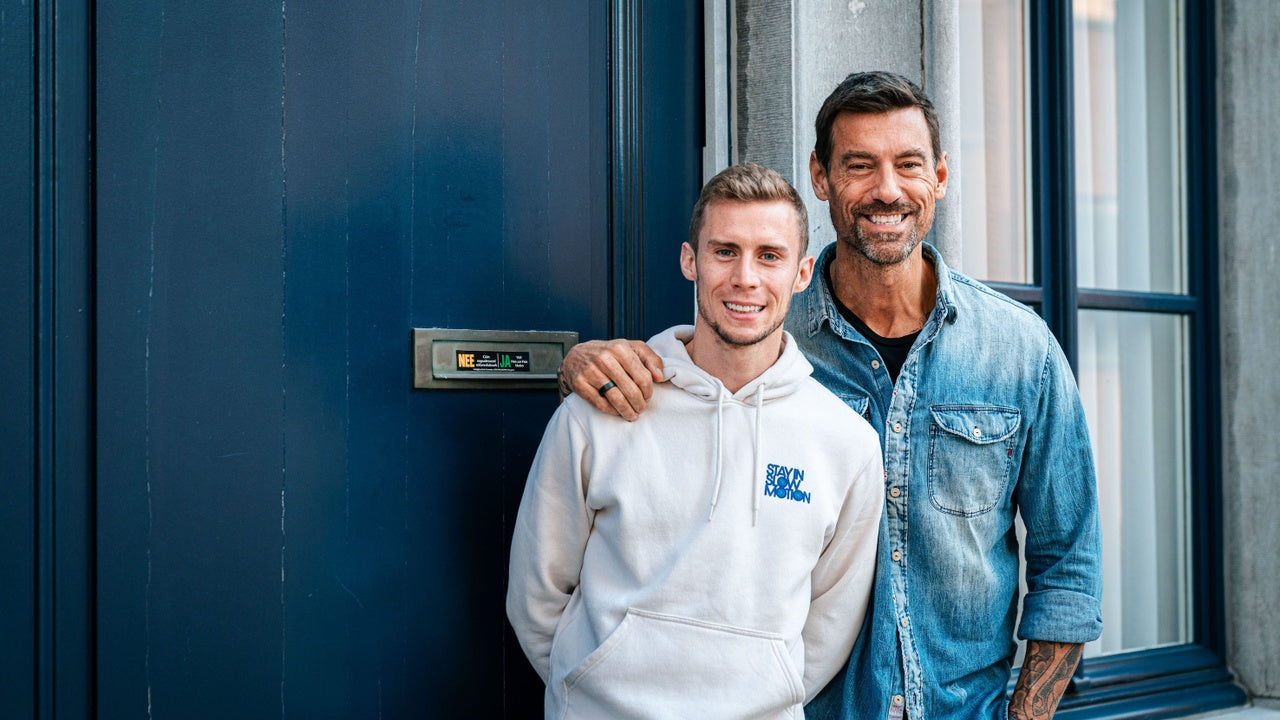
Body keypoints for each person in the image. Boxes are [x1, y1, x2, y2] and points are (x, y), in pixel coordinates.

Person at [556, 71, 1102, 720]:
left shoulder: (1021, 351)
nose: (887, 190)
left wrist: (1024, 715)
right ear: (820, 178)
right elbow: (669, 403)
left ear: (942, 176)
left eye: (908, 164)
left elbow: (1068, 562)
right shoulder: (765, 340)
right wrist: (583, 366)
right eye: (859, 166)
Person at [507, 163, 885, 719]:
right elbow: (536, 597)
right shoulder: (602, 409)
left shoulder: (846, 443)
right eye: (725, 251)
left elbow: (830, 622)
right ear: (691, 260)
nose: (746, 278)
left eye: (770, 256)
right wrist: (592, 684)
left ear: (802, 272)